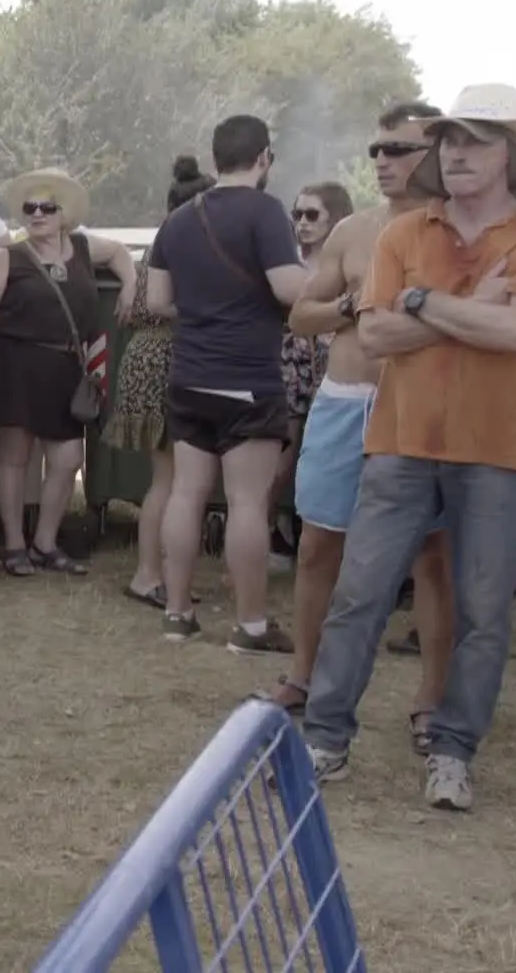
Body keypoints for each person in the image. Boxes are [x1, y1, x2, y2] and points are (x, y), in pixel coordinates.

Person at [303, 85, 516, 811]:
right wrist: (475, 307)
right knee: (360, 594)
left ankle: (453, 751)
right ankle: (324, 738)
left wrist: (421, 304)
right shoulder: (400, 237)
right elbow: (372, 337)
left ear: (512, 154)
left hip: (502, 449)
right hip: (401, 441)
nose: (461, 151)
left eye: (479, 139)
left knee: (483, 611)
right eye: (451, 139)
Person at [266, 104, 466, 750]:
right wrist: (355, 304)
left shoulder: (465, 228)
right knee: (319, 545)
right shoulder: (353, 231)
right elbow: (302, 315)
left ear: (434, 152)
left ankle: (432, 699)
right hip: (345, 400)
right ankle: (303, 674)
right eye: (377, 148)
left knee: (434, 559)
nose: (382, 160)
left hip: (425, 408)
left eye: (399, 149)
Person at [146, 116, 307, 650]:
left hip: (190, 375)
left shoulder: (179, 219)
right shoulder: (266, 212)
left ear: (216, 158)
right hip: (248, 379)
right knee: (245, 503)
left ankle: (176, 613)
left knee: (186, 494)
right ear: (264, 157)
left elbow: (156, 302)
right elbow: (288, 287)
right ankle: (251, 625)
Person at [0, 168, 135, 576]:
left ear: (63, 213)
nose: (37, 215)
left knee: (68, 457)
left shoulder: (84, 249)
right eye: (30, 208)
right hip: (15, 363)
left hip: (66, 368)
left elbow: (122, 254)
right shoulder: (10, 257)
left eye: (47, 207)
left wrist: (129, 284)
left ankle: (45, 543)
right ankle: (15, 545)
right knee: (15, 457)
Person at [112, 157, 214, 608]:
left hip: (150, 357)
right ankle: (149, 575)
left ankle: (157, 574)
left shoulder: (162, 242)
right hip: (167, 359)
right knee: (170, 480)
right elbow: (155, 306)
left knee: (170, 479)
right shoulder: (186, 244)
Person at [270, 180, 355, 565]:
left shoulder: (348, 261)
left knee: (330, 456)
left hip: (336, 367)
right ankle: (264, 534)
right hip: (288, 364)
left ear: (335, 218)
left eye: (312, 214)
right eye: (297, 214)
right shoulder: (286, 261)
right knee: (279, 460)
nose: (302, 223)